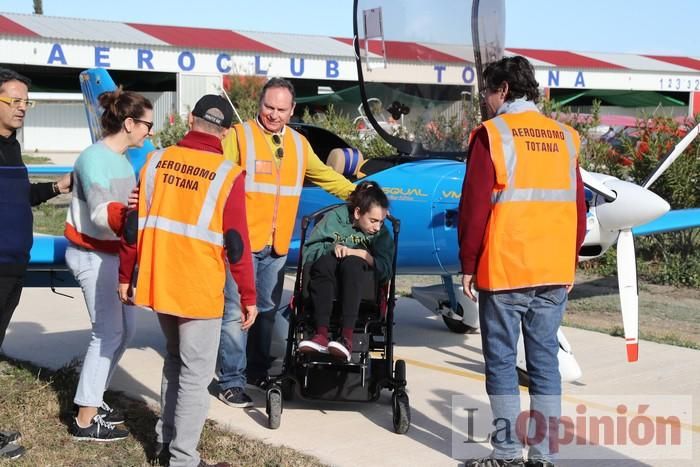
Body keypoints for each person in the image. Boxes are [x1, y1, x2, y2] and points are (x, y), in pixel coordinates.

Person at [458, 56, 586, 467]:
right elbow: (579, 211)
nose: (486, 100)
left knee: (501, 363)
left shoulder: (492, 136)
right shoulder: (566, 137)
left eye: (488, 92)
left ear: (505, 91)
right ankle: (544, 456)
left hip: (507, 268)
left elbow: (474, 207)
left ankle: (508, 455)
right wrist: (569, 261)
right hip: (553, 271)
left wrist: (468, 262)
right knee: (545, 364)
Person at [118, 94, 257, 467]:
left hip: (159, 281)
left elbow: (133, 226)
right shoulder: (228, 174)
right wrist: (248, 295)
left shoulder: (156, 162)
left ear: (191, 120)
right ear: (226, 133)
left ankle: (167, 446)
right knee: (196, 375)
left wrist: (125, 276)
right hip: (199, 290)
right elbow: (238, 244)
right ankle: (182, 459)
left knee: (176, 362)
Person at [217, 77, 355, 407]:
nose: (274, 115)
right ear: (258, 105)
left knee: (265, 312)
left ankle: (256, 371)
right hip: (242, 244)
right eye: (268, 107)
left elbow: (325, 176)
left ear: (292, 110)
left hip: (277, 245)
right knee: (237, 312)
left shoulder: (298, 144)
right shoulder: (240, 136)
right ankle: (231, 380)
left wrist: (359, 194)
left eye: (281, 109)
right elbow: (216, 176)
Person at [64, 88, 153, 442]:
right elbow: (102, 216)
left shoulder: (123, 162)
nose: (150, 132)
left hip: (115, 256)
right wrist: (129, 215)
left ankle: (93, 398)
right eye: (147, 124)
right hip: (93, 254)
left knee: (125, 333)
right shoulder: (94, 159)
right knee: (108, 333)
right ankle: (84, 420)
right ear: (129, 123)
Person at [0, 67, 72, 460]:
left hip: (13, 264)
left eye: (26, 101)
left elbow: (20, 196)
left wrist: (57, 188)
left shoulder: (11, 146)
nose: (22, 107)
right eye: (14, 100)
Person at [298, 181, 394, 361]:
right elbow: (309, 252)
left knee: (353, 263)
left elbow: (386, 270)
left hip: (362, 285)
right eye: (373, 221)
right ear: (358, 212)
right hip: (328, 278)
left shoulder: (381, 235)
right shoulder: (334, 219)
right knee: (325, 262)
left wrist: (365, 256)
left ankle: (347, 337)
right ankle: (321, 334)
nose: (377, 227)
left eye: (381, 221)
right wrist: (331, 248)